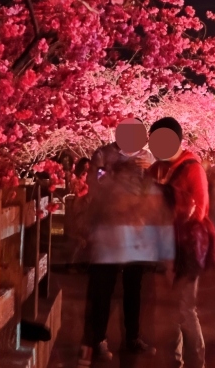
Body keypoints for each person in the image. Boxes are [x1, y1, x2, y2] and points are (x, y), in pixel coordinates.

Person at [77, 133, 173, 367]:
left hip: (137, 229)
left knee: (134, 288)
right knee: (103, 288)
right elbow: (94, 180)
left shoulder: (146, 156)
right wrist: (118, 170)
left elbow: (153, 186)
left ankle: (132, 337)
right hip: (108, 227)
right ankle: (98, 339)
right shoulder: (103, 154)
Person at [149, 117, 215, 368]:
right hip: (165, 246)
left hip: (187, 247)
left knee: (184, 308)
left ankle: (197, 362)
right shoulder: (158, 168)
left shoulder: (193, 169)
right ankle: (174, 361)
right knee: (170, 309)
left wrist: (164, 195)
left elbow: (200, 210)